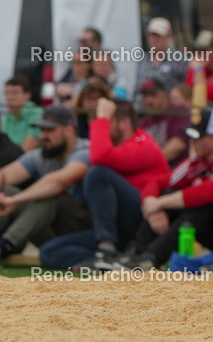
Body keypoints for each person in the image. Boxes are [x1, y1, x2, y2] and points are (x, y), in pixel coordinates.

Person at [123, 108, 213, 270]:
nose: (192, 142)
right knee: (169, 194)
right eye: (191, 136)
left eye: (198, 137)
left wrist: (159, 203)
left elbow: (206, 194)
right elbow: (158, 182)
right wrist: (152, 206)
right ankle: (134, 251)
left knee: (203, 203)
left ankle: (151, 258)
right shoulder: (197, 161)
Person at [39, 98, 169, 269]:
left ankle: (106, 249)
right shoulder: (114, 148)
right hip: (117, 231)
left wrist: (101, 119)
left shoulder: (144, 143)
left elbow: (99, 158)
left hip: (141, 222)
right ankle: (110, 261)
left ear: (124, 123)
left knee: (97, 174)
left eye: (108, 121)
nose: (104, 127)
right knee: (48, 253)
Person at [0, 106, 91, 266]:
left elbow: (58, 182)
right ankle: (7, 242)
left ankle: (6, 245)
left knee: (50, 194)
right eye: (42, 130)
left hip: (80, 230)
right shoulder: (44, 154)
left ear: (69, 130)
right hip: (49, 230)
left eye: (50, 130)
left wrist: (15, 200)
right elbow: (5, 175)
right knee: (6, 190)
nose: (43, 136)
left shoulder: (85, 151)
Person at [133, 17, 188, 102]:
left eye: (158, 36)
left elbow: (184, 89)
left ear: (169, 37)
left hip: (168, 112)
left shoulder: (178, 59)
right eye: (151, 35)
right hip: (141, 111)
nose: (154, 39)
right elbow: (137, 89)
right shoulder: (142, 60)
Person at [137, 79, 190, 164]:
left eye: (153, 95)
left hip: (175, 166)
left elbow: (178, 145)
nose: (148, 101)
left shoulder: (177, 111)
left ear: (165, 96)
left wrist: (147, 162)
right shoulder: (142, 123)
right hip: (151, 169)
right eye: (145, 96)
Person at [3, 75, 43, 151]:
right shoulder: (6, 117)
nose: (10, 97)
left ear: (27, 95)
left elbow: (26, 150)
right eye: (7, 92)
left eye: (15, 93)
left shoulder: (37, 115)